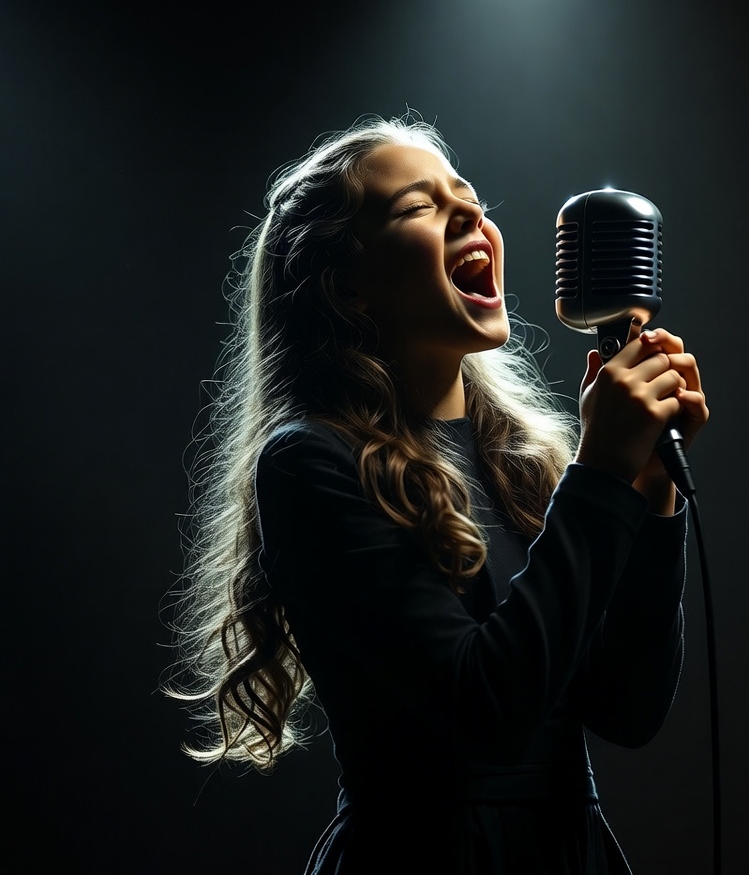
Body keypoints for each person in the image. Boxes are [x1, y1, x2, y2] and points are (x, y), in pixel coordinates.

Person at [166, 114, 709, 874]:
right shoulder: (308, 465)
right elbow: (485, 708)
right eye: (419, 207)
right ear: (346, 287)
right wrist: (600, 478)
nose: (470, 214)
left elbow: (629, 708)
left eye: (470, 197)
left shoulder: (525, 463)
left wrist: (649, 498)